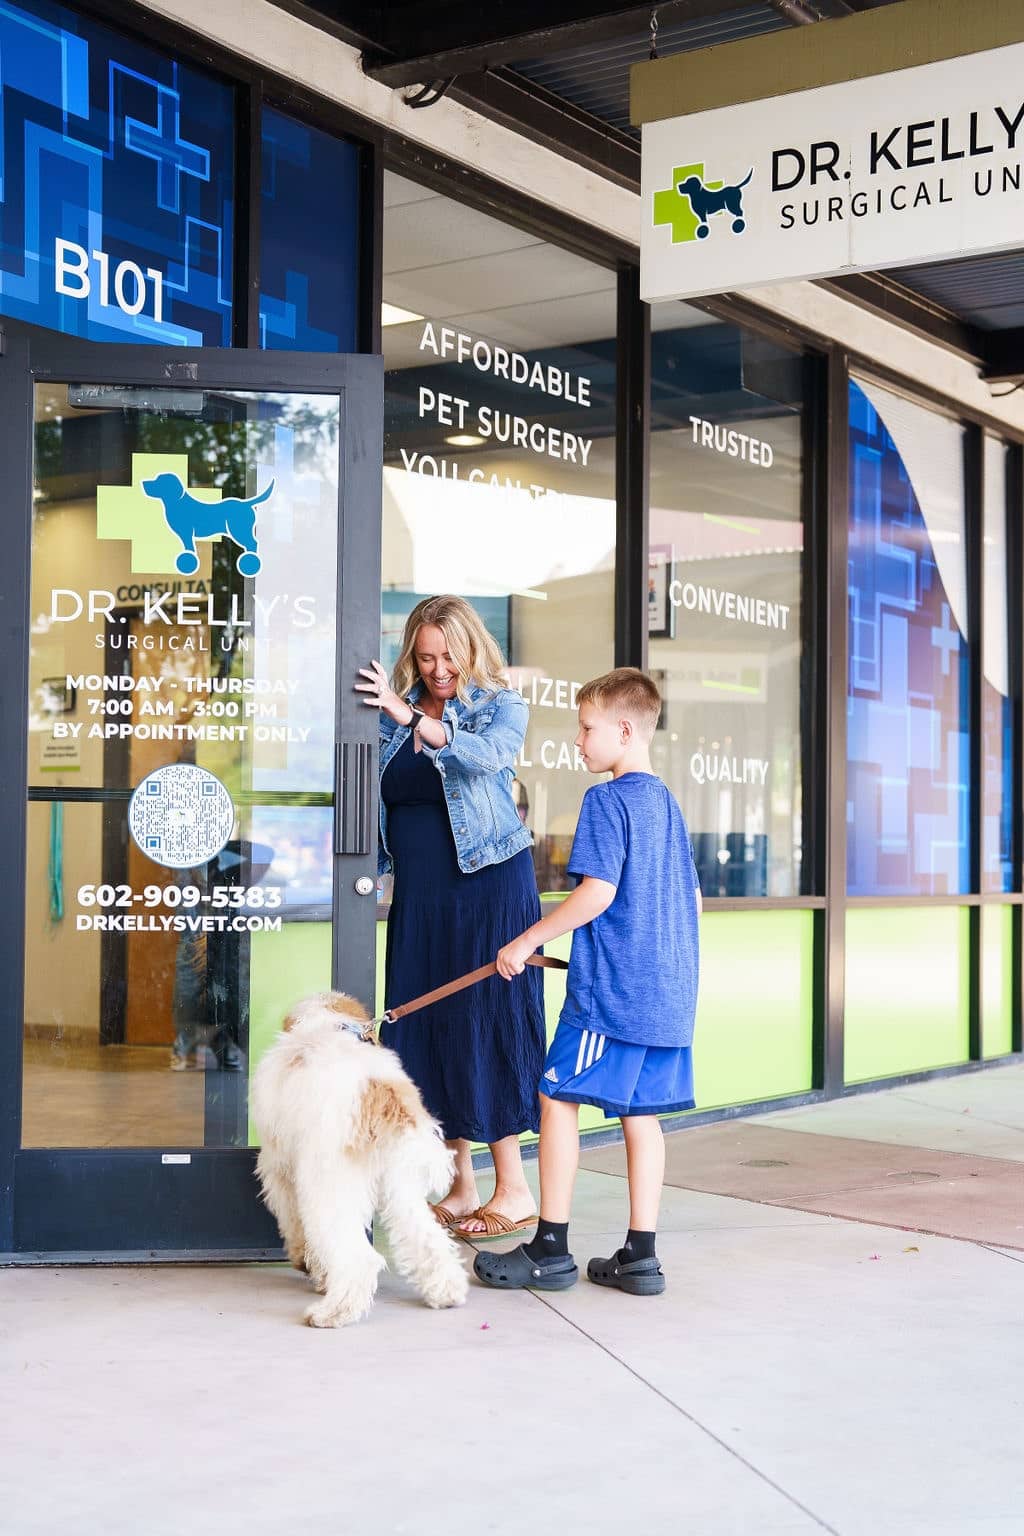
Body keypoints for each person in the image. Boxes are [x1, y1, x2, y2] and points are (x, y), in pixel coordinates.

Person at [474, 667, 701, 1295]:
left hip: (613, 996)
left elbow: (597, 894)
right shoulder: (667, 806)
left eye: (587, 726)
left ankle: (550, 1249)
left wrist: (525, 941)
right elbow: (693, 902)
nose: (578, 739)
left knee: (554, 1096)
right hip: (670, 996)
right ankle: (640, 1255)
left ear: (624, 730)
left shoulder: (609, 800)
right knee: (641, 1115)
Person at [356, 595, 546, 1239]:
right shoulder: (395, 710)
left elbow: (483, 759)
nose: (438, 669)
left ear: (471, 649)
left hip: (488, 888)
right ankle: (461, 1185)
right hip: (422, 897)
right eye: (426, 656)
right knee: (428, 1028)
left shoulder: (501, 705)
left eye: (449, 656)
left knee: (483, 1023)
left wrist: (408, 714)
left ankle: (515, 1190)